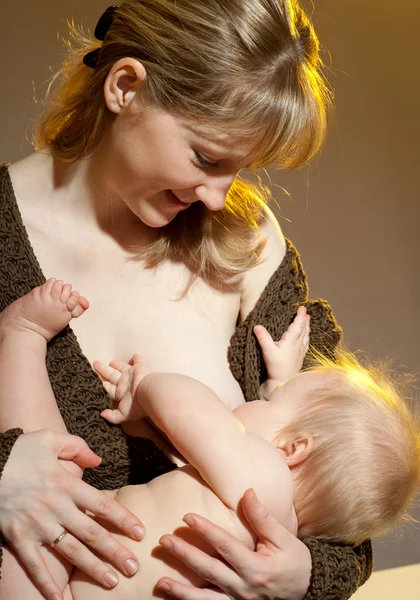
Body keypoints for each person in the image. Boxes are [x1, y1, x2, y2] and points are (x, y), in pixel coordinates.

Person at [0, 2, 372, 600]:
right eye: (205, 158)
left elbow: (350, 489)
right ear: (125, 87)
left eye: (241, 169)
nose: (221, 199)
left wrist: (300, 578)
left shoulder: (248, 242)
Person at [1, 280, 418, 600]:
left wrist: (144, 388)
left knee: (54, 461)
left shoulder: (264, 479)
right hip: (93, 581)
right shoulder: (277, 535)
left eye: (274, 399)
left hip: (60, 582)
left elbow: (191, 411)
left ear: (292, 451)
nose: (259, 398)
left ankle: (22, 333)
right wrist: (281, 388)